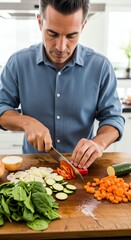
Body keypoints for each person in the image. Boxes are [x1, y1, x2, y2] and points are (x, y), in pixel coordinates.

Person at [0, 0, 124, 169]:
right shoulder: (18, 63)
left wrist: (98, 143)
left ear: (83, 26)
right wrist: (26, 122)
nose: (61, 46)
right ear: (39, 22)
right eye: (52, 34)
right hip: (33, 169)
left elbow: (113, 118)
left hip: (82, 169)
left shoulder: (101, 67)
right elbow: (2, 108)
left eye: (71, 36)